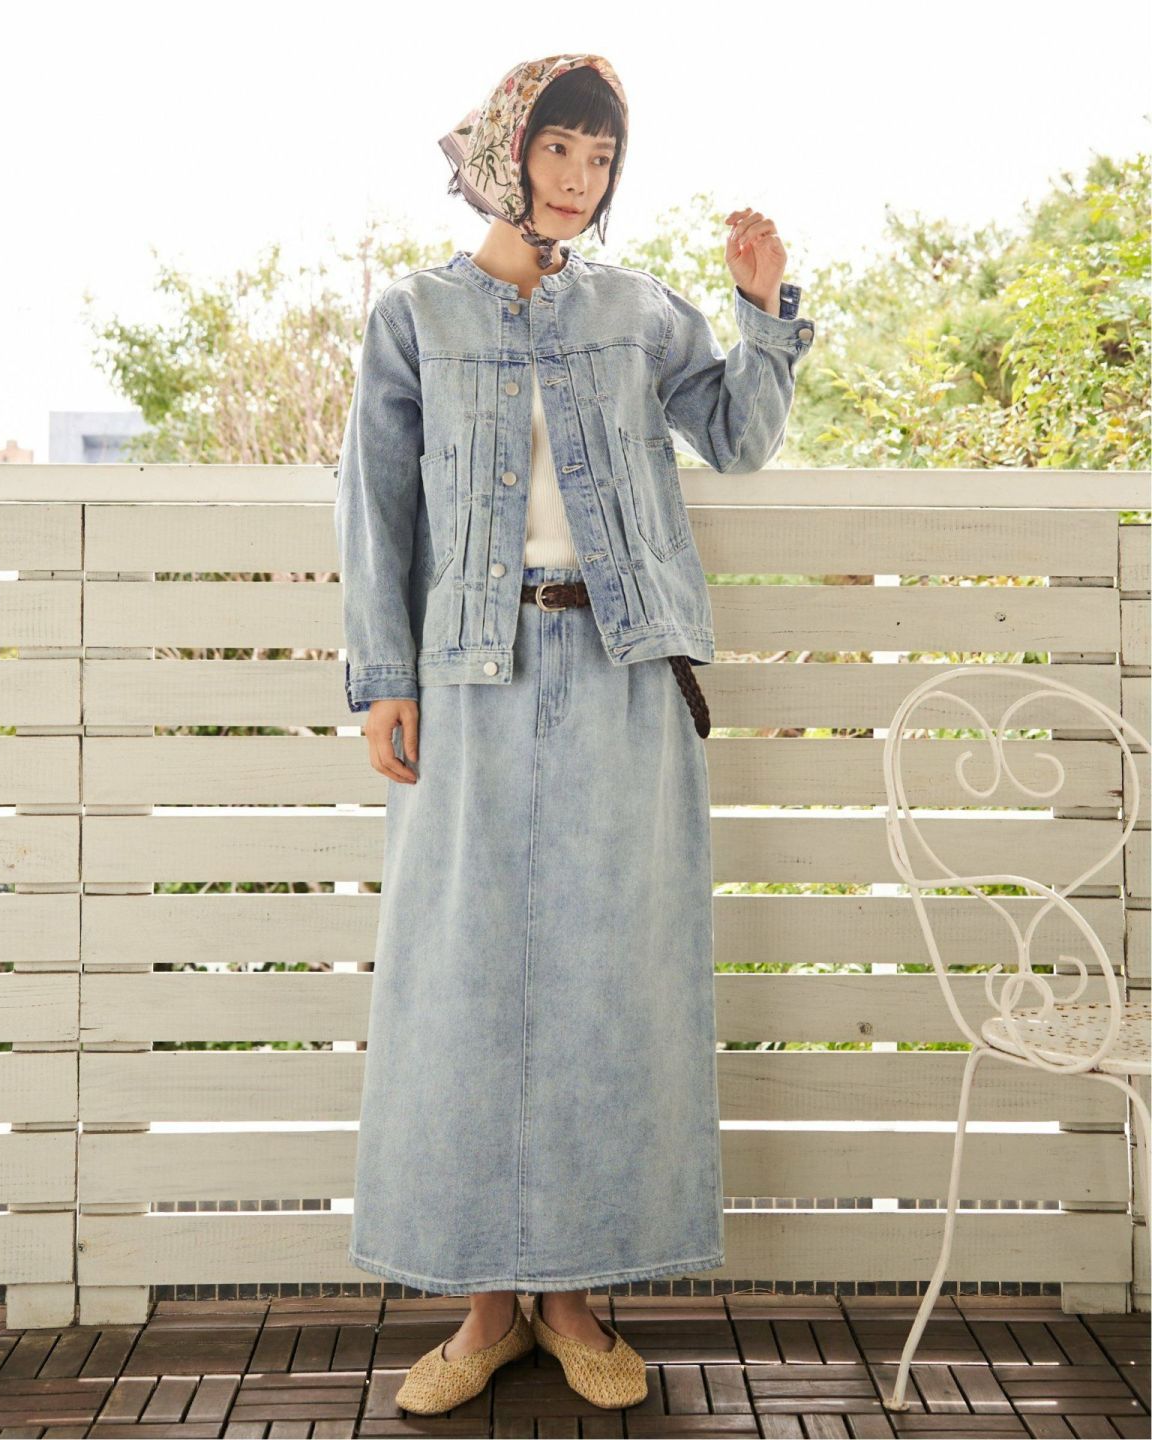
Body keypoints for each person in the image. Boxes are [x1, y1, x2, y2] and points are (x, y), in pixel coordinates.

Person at [333, 52, 816, 1415]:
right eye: (560, 149)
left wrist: (762, 311)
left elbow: (739, 437)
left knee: (613, 984)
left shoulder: (636, 309)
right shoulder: (416, 315)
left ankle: (574, 1300)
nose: (580, 179)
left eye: (601, 158)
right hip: (468, 674)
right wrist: (383, 680)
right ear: (505, 151)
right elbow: (375, 504)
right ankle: (485, 1309)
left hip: (622, 669)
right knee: (464, 985)